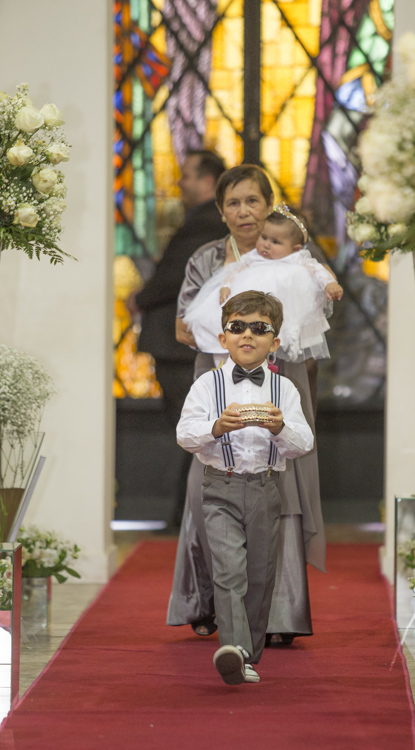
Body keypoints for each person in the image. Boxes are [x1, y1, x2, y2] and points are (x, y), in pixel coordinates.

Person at [167, 164, 335, 643]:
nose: (244, 212)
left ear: (269, 204)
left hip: (284, 376)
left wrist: (269, 348)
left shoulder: (297, 251)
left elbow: (318, 316)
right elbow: (182, 326)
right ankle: (207, 601)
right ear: (221, 211)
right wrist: (236, 344)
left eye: (253, 201)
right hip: (218, 377)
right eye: (233, 203)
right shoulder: (205, 258)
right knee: (208, 485)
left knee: (281, 485)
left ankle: (278, 615)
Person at [176, 291, 313, 684]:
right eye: (237, 327)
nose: (247, 334)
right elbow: (185, 434)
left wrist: (280, 428)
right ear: (223, 338)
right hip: (220, 487)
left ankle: (247, 656)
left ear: (275, 341)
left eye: (259, 328)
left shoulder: (284, 389)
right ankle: (233, 651)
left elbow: (304, 443)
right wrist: (215, 427)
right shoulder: (208, 384)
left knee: (259, 576)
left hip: (266, 489)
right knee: (228, 572)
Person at [127, 150, 228, 525]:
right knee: (195, 430)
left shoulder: (204, 224)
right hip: (181, 346)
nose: (179, 183)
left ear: (207, 181)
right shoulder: (202, 222)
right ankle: (188, 515)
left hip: (179, 346)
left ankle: (191, 516)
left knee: (195, 431)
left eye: (186, 175)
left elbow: (175, 277)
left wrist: (139, 298)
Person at [183, 204, 343, 361]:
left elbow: (317, 270)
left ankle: (269, 355)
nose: (266, 244)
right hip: (246, 303)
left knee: (267, 334)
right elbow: (235, 270)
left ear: (295, 248)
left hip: (279, 307)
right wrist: (226, 285)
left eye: (275, 242)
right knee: (222, 322)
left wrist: (329, 284)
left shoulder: (296, 258)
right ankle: (225, 360)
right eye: (264, 237)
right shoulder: (254, 257)